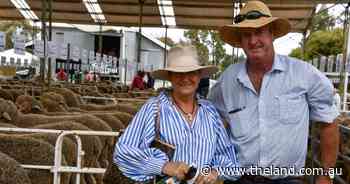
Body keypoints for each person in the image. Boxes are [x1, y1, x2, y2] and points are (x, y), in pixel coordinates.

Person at [209, 1, 339, 184]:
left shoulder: (304, 74)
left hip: (288, 179)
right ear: (240, 41)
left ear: (271, 34)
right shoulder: (227, 81)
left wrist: (327, 175)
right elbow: (213, 123)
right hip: (240, 179)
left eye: (259, 32)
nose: (253, 41)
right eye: (246, 35)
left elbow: (329, 121)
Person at [114, 45, 238, 183]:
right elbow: (123, 152)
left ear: (198, 76)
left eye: (191, 72)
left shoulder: (210, 112)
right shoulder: (154, 108)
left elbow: (228, 158)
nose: (185, 78)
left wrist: (214, 172)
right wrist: (165, 166)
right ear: (170, 77)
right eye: (178, 73)